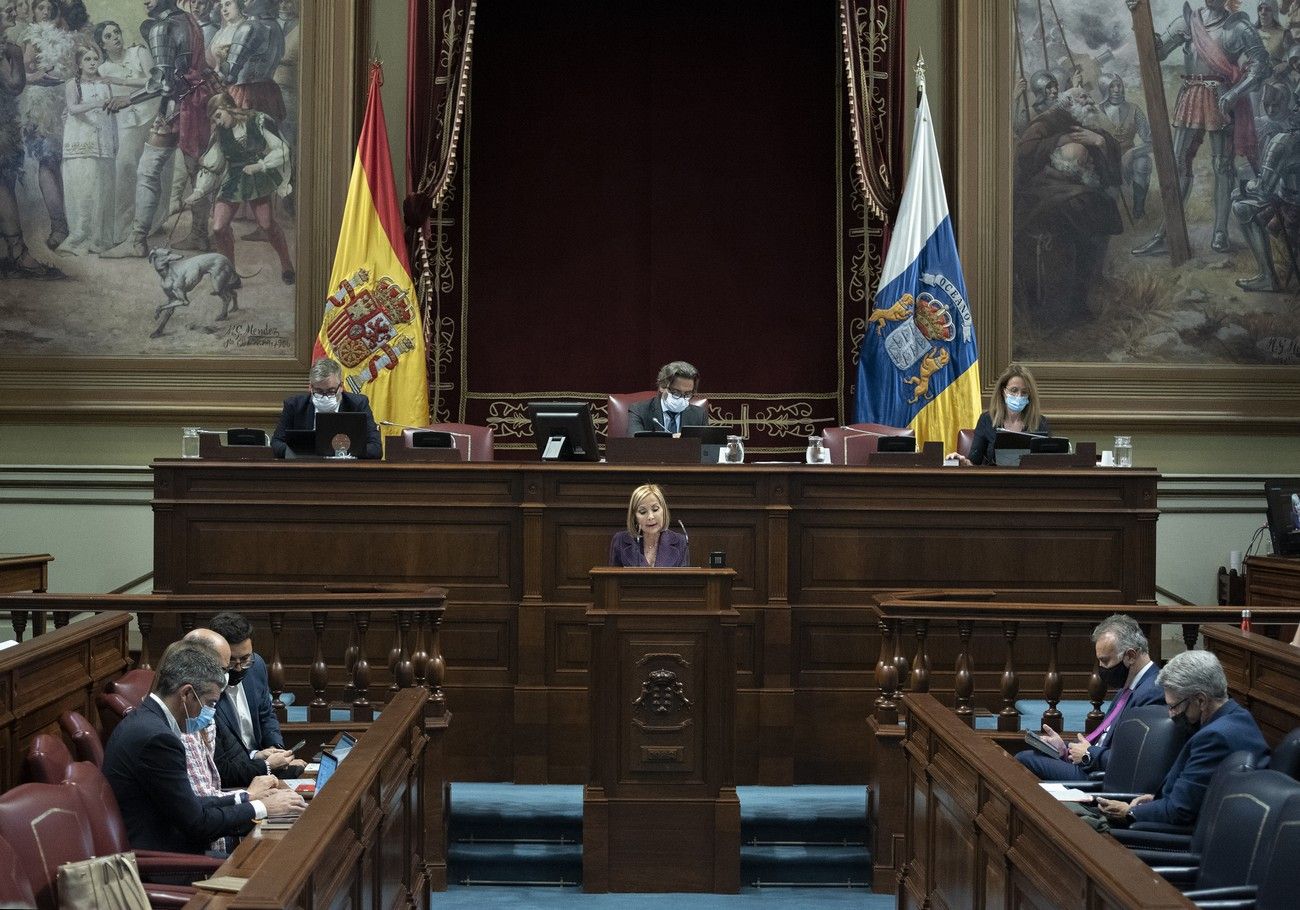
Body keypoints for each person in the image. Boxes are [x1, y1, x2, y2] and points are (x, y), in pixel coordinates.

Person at [102, 640, 304, 854]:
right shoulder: (158, 739)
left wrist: (248, 799)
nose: (209, 714)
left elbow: (190, 806)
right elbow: (198, 823)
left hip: (172, 843)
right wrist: (263, 808)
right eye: (209, 703)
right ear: (187, 694)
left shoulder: (147, 720)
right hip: (167, 862)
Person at [1128, 0, 1270, 255]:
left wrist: (1236, 93)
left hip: (1222, 97)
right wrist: (1137, 17)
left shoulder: (1237, 26)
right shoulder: (1187, 20)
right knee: (1178, 165)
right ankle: (1165, 233)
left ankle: (1220, 232)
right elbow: (1158, 52)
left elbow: (1261, 65)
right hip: (1192, 96)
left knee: (1222, 167)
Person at [1097, 649, 1268, 828]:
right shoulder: (1239, 716)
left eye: (1173, 707)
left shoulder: (1214, 738)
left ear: (1201, 700)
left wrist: (1129, 812)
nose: (1171, 715)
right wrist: (1157, 801)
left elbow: (1179, 811)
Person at [1015, 615, 1165, 781]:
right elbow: (1103, 741)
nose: (1101, 668)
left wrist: (1088, 754)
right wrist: (1064, 748)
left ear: (1130, 656)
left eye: (1105, 661)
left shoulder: (1152, 692)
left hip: (1103, 779)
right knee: (1027, 756)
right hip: (1094, 765)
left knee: (1025, 760)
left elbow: (1135, 760)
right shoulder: (1130, 687)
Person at [186, 90, 295, 283]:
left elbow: (282, 149)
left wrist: (261, 165)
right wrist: (199, 191)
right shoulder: (221, 132)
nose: (217, 122)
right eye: (214, 119)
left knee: (267, 225)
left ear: (229, 107)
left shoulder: (258, 120)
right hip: (235, 178)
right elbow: (214, 164)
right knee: (219, 228)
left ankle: (287, 265)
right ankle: (230, 274)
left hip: (257, 175)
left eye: (218, 115)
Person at [208, 610, 305, 782]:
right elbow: (222, 763)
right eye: (231, 661)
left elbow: (266, 715)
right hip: (235, 774)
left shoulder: (256, 666)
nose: (239, 668)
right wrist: (258, 757)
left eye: (245, 658)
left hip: (263, 764)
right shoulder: (206, 691)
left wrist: (276, 748)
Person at [59, 42, 115, 255]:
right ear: (79, 63)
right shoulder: (73, 84)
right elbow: (72, 108)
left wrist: (114, 140)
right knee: (83, 191)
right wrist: (95, 104)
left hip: (103, 143)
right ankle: (78, 238)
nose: (92, 63)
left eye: (95, 59)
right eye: (87, 59)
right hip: (81, 143)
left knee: (101, 191)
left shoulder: (105, 84)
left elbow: (111, 115)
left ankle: (98, 239)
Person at [270, 357, 381, 459]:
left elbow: (376, 448)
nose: (325, 396)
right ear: (310, 387)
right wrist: (301, 453)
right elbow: (276, 443)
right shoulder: (294, 406)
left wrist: (344, 453)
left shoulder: (358, 405)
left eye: (331, 391)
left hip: (347, 472)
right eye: (318, 391)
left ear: (341, 387)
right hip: (306, 471)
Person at [951, 362, 1051, 466]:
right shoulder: (987, 420)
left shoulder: (1039, 422)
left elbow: (1047, 462)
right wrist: (962, 462)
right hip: (994, 480)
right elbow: (974, 462)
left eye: (1024, 392)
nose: (1019, 396)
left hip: (1028, 480)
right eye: (1014, 390)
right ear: (1003, 392)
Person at [608, 483, 689, 568]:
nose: (650, 517)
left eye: (655, 509)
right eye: (643, 512)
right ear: (634, 516)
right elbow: (613, 580)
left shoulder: (680, 542)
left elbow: (684, 580)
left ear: (663, 510)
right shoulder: (620, 541)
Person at [626, 361, 707, 435]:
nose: (682, 399)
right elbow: (634, 445)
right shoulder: (639, 411)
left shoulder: (699, 415)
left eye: (688, 394)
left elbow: (706, 447)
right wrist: (669, 443)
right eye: (676, 392)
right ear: (662, 386)